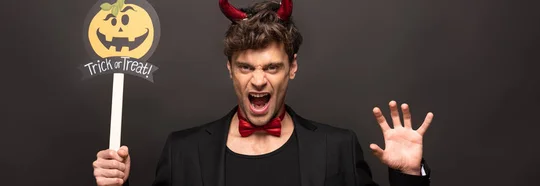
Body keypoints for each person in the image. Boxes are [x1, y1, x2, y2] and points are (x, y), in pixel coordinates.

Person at [92, 0, 434, 185]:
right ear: (230, 69)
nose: (258, 81)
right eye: (246, 67)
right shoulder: (183, 151)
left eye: (272, 67)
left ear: (293, 67)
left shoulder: (337, 148)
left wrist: (407, 175)